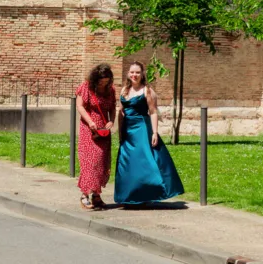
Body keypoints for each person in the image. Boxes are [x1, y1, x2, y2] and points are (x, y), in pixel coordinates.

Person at [114, 61, 184, 205]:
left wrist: (155, 132)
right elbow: (121, 112)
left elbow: (152, 112)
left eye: (137, 72)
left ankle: (146, 194)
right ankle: (129, 196)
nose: (135, 75)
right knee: (128, 162)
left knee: (143, 161)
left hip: (141, 129)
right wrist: (120, 131)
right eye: (132, 72)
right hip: (128, 130)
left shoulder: (147, 91)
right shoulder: (124, 90)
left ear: (142, 74)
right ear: (128, 74)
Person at [75, 63, 117, 210]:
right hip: (89, 128)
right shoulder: (86, 87)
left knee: (101, 162)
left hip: (103, 130)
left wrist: (112, 120)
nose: (103, 84)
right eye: (101, 81)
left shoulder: (110, 91)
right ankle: (84, 194)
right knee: (90, 161)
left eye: (106, 81)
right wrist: (90, 121)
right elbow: (80, 106)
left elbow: (112, 107)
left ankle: (97, 195)